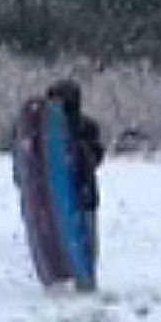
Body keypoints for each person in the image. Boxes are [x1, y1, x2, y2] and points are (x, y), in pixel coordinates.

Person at [46, 79, 105, 281]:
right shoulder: (46, 132)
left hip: (83, 193)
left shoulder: (87, 127)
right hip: (56, 196)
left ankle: (85, 279)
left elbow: (95, 157)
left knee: (85, 244)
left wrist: (78, 148)